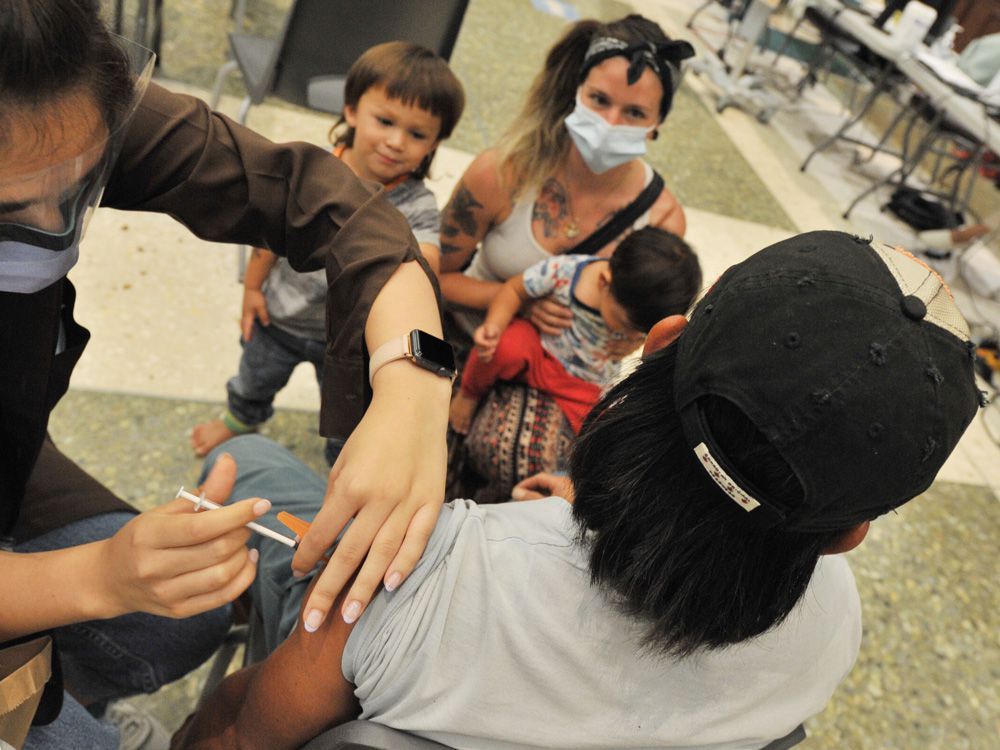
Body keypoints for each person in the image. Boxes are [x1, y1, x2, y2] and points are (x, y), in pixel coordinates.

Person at [174, 230, 982, 750]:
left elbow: (236, 738)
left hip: (353, 631)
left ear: (660, 342)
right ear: (850, 533)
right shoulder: (834, 628)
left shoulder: (425, 573)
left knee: (248, 465)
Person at [0, 2, 453, 746]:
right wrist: (95, 578)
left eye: (82, 184)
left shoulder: (59, 100)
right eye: (14, 213)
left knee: (187, 616)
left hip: (15, 462)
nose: (55, 228)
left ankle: (63, 688)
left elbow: (318, 198)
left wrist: (413, 382)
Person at [437, 14, 695, 502]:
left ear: (657, 125)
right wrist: (517, 301)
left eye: (635, 113)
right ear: (576, 90)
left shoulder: (662, 221)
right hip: (469, 342)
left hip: (562, 382)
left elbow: (645, 332)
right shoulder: (503, 172)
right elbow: (435, 275)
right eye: (599, 100)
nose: (610, 123)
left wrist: (628, 337)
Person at [190, 41, 465, 464]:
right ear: (352, 110)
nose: (396, 142)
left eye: (417, 134)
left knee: (349, 420)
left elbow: (428, 260)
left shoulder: (416, 204)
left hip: (349, 342)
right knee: (253, 379)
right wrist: (251, 290)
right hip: (279, 317)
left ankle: (345, 463)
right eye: (385, 120)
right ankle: (240, 420)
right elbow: (268, 237)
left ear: (433, 145)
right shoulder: (312, 172)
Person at [449, 227, 701, 434]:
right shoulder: (565, 273)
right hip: (539, 349)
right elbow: (515, 289)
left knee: (599, 425)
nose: (631, 335)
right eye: (625, 326)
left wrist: (635, 343)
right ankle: (468, 395)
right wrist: (494, 325)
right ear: (604, 282)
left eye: (639, 332)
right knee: (504, 347)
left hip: (584, 379)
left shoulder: (640, 310)